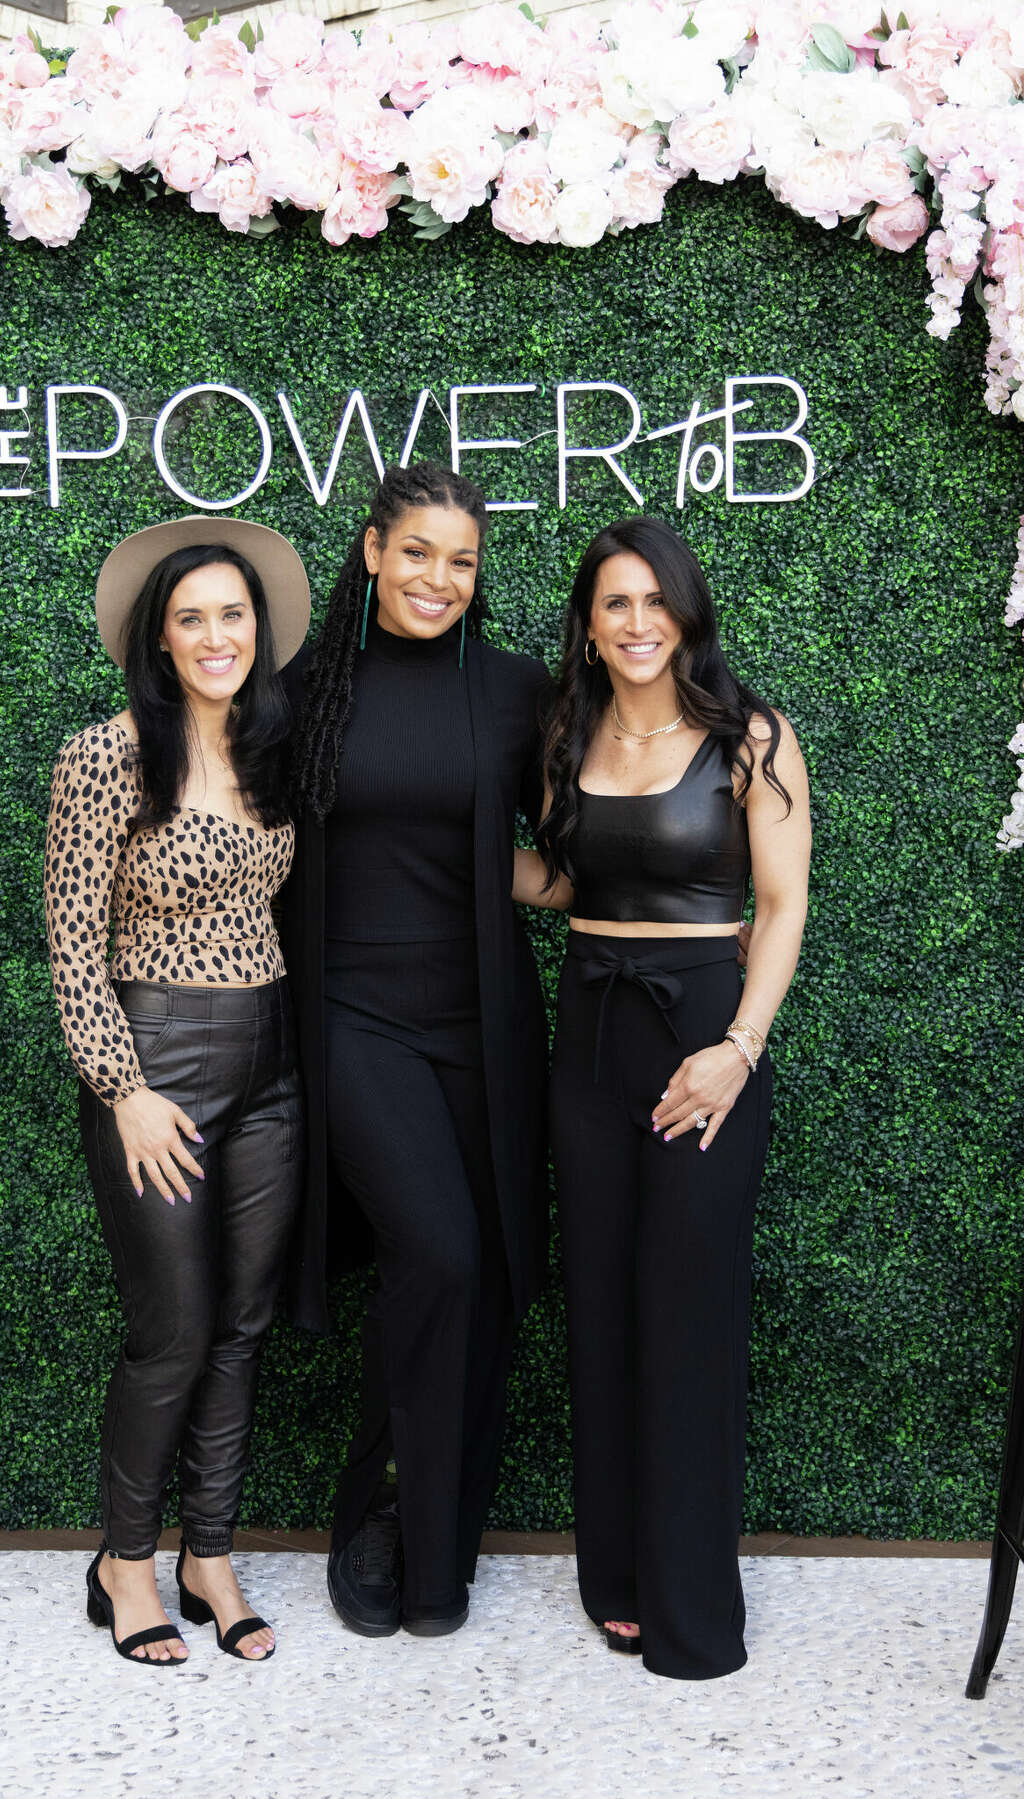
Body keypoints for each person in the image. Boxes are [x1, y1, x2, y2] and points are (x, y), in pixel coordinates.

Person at [514, 515, 810, 1680]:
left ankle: (694, 1607)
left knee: (688, 1320)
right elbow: (566, 882)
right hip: (589, 1032)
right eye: (614, 603)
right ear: (587, 623)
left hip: (703, 1039)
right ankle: (618, 1577)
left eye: (655, 600)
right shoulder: (564, 731)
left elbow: (781, 907)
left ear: (686, 610)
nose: (637, 623)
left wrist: (738, 1046)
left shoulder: (752, 736)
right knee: (601, 1310)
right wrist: (454, 852)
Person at [279, 461, 552, 1637]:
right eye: (419, 552)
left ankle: (440, 1549)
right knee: (436, 1251)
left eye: (463, 560)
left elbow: (555, 851)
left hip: (484, 1022)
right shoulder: (298, 694)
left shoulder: (513, 690)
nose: (439, 578)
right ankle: (376, 1510)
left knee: (481, 1279)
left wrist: (676, 912)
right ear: (375, 551)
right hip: (351, 1017)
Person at [43, 516, 310, 1665]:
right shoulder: (103, 756)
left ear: (259, 630)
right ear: (159, 636)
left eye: (232, 615)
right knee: (173, 1332)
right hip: (160, 1062)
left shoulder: (270, 746)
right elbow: (70, 941)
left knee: (243, 1327)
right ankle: (127, 1561)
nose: (215, 635)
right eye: (192, 616)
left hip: (273, 1063)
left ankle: (209, 1552)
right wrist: (124, 1088)